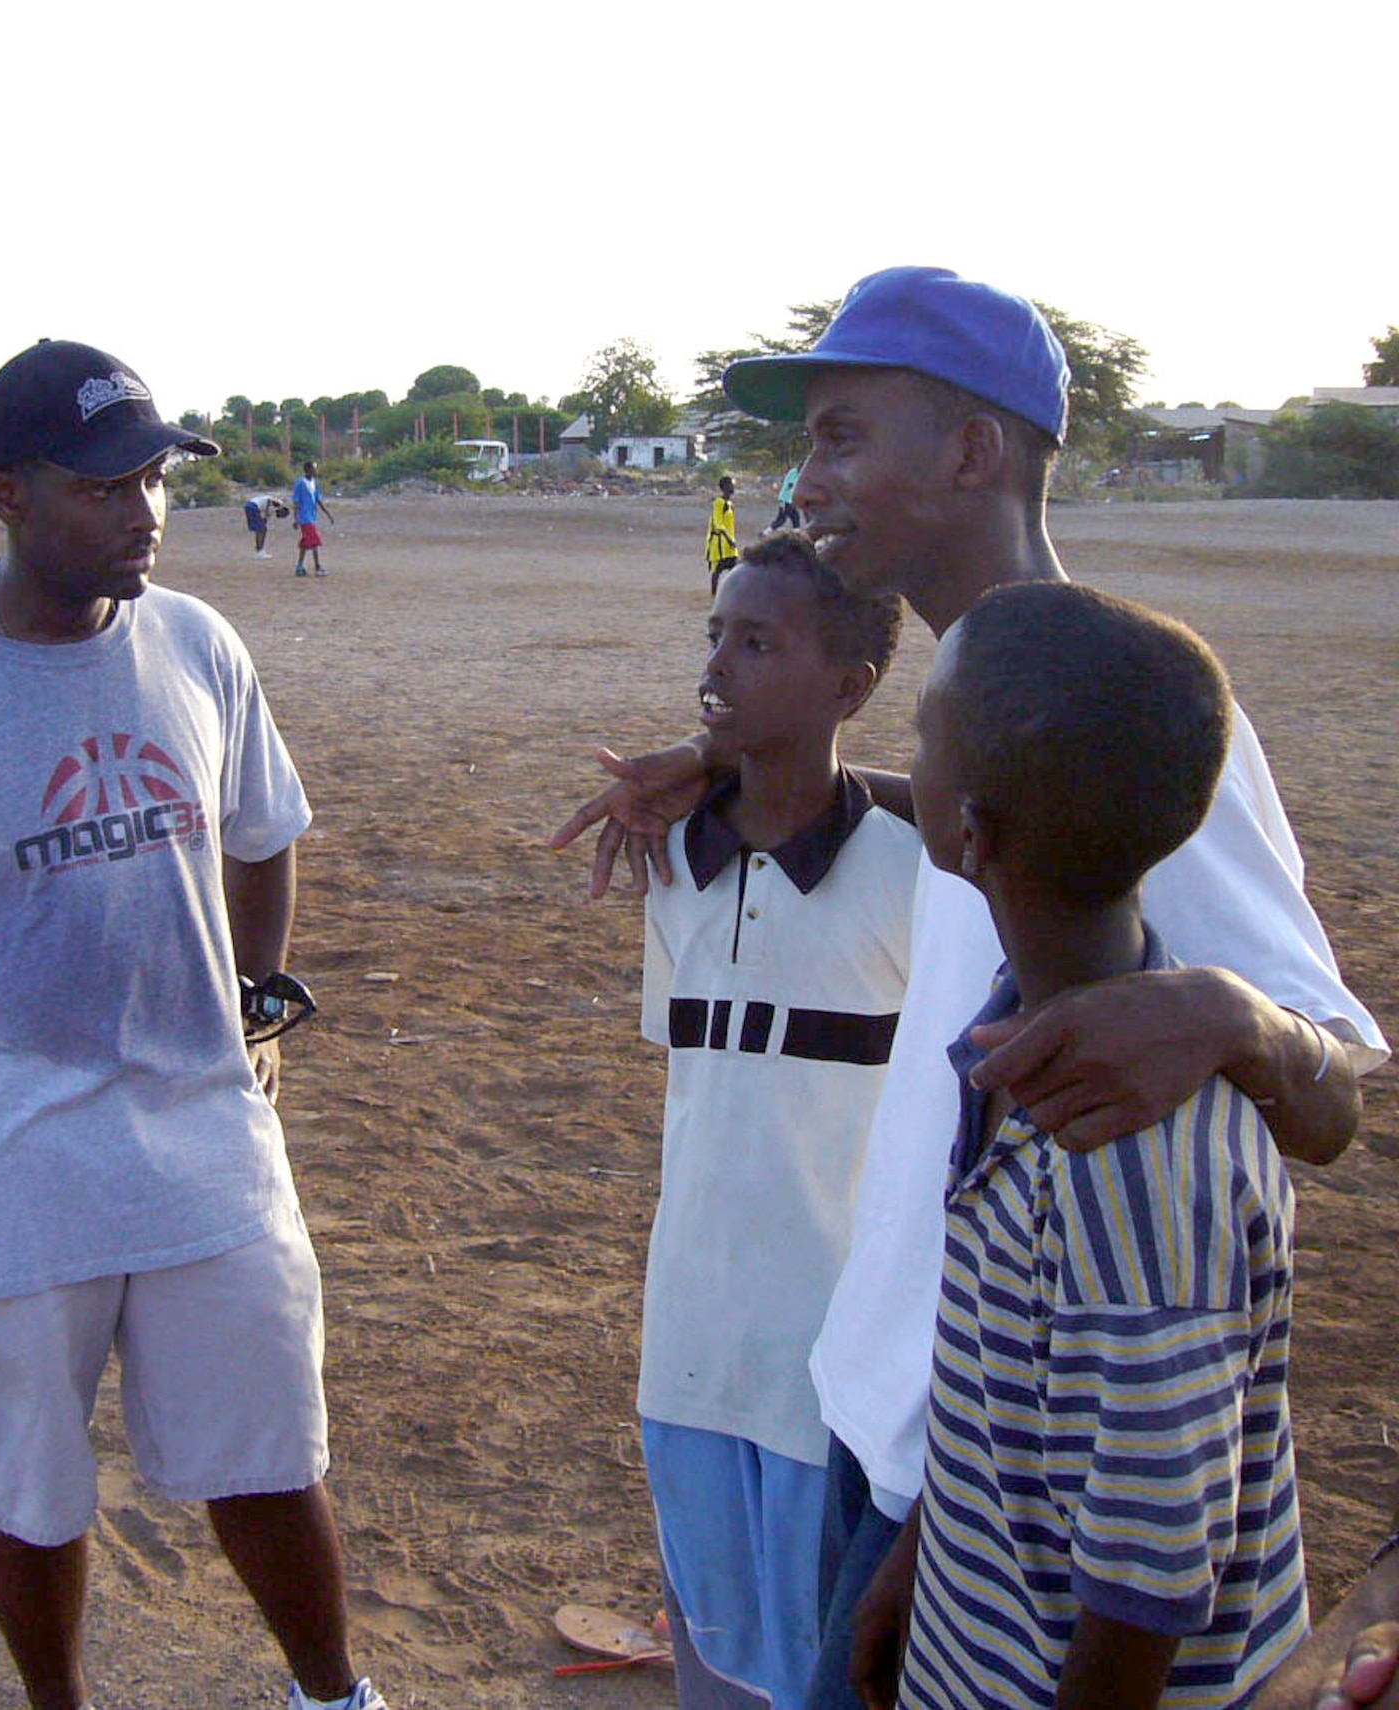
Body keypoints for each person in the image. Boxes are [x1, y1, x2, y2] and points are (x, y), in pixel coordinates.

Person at [551, 266, 1387, 1710]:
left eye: (841, 435)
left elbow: (1333, 1087)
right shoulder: (991, 734)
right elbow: (991, 828)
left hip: (994, 1484)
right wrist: (781, 774)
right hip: (907, 1436)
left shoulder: (1121, 711)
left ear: (975, 451)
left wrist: (1230, 1016)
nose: (804, 480)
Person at [0, 338, 386, 1710]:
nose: (143, 511)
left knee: (272, 1457)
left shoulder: (199, 644)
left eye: (153, 477)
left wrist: (257, 998)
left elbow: (264, 831)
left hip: (210, 1153)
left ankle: (334, 1695)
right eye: (103, 486)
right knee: (30, 1494)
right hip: (10, 1175)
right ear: (6, 497)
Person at [865, 581, 1302, 1709]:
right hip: (967, 1648)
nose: (902, 754)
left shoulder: (1135, 1164)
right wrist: (908, 1581)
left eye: (920, 734)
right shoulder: (1024, 1047)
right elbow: (996, 1409)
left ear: (967, 831)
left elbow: (1144, 1588)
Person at [638, 531, 914, 1708]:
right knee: (715, 1655)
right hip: (690, 1346)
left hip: (832, 1367)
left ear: (849, 687)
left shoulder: (920, 871)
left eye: (757, 643)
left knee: (828, 1665)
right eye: (713, 635)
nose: (717, 666)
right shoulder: (666, 859)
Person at [292, 460, 335, 578]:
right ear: (308, 469)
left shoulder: (316, 483)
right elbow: (296, 502)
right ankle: (317, 567)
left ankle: (300, 566)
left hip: (312, 516)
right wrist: (296, 519)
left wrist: (327, 513)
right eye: (314, 468)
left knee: (306, 542)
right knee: (315, 540)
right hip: (305, 518)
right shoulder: (300, 484)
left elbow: (318, 500)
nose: (316, 470)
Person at [705, 475, 739, 580]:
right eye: (731, 485)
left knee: (735, 570)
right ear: (725, 487)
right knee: (717, 571)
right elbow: (718, 523)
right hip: (720, 543)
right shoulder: (719, 503)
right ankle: (714, 595)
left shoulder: (730, 504)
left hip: (729, 544)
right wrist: (729, 539)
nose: (733, 487)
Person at [245, 492, 290, 558]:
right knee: (261, 529)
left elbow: (265, 516)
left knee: (261, 529)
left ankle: (259, 550)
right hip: (253, 506)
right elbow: (269, 500)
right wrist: (266, 514)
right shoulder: (279, 504)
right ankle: (260, 551)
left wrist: (265, 518)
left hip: (250, 506)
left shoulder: (274, 509)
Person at [769, 464, 802, 532]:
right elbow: (790, 484)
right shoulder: (794, 473)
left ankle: (796, 535)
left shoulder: (798, 473)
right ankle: (765, 533)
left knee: (796, 518)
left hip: (790, 500)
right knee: (782, 519)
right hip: (785, 499)